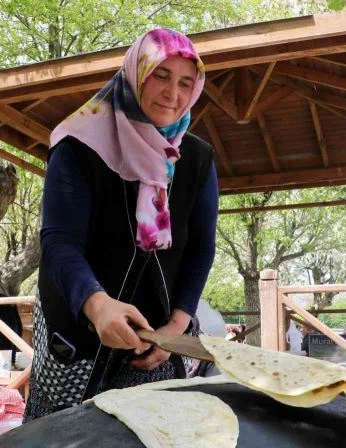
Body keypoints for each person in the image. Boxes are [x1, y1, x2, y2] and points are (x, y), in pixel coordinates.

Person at [24, 28, 217, 422]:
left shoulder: (195, 158)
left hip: (159, 334)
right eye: (160, 75)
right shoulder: (79, 144)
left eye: (185, 82)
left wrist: (177, 327)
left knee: (155, 431)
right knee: (70, 434)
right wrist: (96, 305)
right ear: (135, 73)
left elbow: (201, 247)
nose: (172, 94)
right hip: (79, 324)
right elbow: (60, 243)